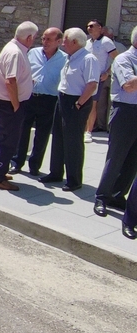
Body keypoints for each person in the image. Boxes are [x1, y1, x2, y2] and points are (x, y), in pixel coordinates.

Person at [40, 27, 100, 192]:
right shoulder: (70, 57)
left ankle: (74, 179)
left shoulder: (89, 59)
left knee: (73, 141)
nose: (63, 43)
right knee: (58, 136)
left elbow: (92, 84)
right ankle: (56, 172)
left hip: (76, 101)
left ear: (75, 42)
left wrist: (79, 104)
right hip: (63, 98)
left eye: (65, 40)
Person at [0, 22, 36, 191]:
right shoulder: (15, 52)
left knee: (1, 138)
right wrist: (16, 104)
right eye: (33, 38)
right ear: (29, 38)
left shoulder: (13, 48)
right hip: (9, 103)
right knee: (8, 141)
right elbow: (10, 80)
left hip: (4, 101)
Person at [10, 27, 66, 176]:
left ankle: (34, 165)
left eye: (49, 39)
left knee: (42, 134)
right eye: (43, 38)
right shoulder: (33, 53)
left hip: (49, 99)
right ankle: (17, 162)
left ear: (58, 41)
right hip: (29, 96)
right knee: (22, 130)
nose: (45, 42)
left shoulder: (64, 59)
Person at [95, 26, 137, 219]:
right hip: (125, 111)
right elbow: (128, 86)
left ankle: (118, 195)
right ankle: (102, 197)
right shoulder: (124, 59)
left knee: (133, 160)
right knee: (116, 157)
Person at [84, 20, 118, 142]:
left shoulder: (106, 42)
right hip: (84, 77)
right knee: (82, 102)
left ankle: (88, 131)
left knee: (93, 104)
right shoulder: (86, 43)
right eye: (88, 26)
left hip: (97, 78)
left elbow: (117, 60)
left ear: (100, 28)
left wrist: (107, 73)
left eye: (92, 26)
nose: (89, 28)